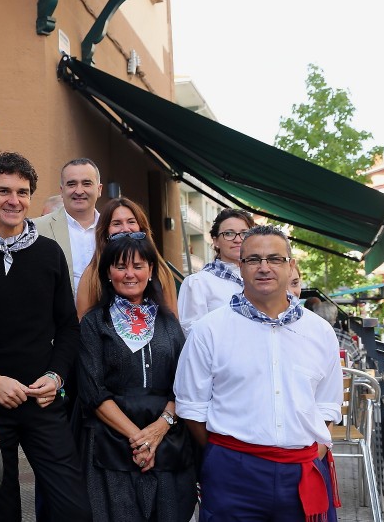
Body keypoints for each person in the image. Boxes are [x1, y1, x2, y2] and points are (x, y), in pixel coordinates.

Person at [0, 152, 90, 521]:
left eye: (22, 192)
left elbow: (69, 327)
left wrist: (56, 377)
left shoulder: (49, 253)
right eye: (4, 190)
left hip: (43, 401)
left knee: (73, 507)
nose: (14, 200)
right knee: (1, 510)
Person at [174, 225, 343, 521]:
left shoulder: (320, 331)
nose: (264, 267)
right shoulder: (209, 330)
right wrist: (230, 457)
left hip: (301, 472)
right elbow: (192, 408)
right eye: (253, 259)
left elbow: (327, 405)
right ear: (240, 267)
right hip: (233, 474)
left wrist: (304, 455)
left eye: (274, 259)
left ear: (290, 265)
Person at [78, 233, 196, 521]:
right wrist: (138, 439)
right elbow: (92, 389)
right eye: (120, 266)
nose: (130, 274)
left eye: (139, 265)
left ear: (151, 270)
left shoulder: (169, 322)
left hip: (166, 440)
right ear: (108, 272)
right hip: (111, 441)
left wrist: (158, 430)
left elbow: (185, 385)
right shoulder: (95, 322)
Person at [76, 197, 178, 319]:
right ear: (105, 231)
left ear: (141, 227)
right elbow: (83, 326)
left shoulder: (162, 272)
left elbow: (173, 322)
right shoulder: (91, 277)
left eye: (131, 222)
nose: (125, 229)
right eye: (116, 223)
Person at [176, 208, 255, 335]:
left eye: (244, 233)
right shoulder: (199, 283)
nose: (238, 239)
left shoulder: (261, 278)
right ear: (215, 241)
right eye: (229, 233)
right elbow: (192, 333)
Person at [33, 158, 103, 296]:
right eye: (71, 184)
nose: (79, 190)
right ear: (62, 190)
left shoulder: (114, 228)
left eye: (86, 183)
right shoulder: (36, 229)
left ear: (99, 189)